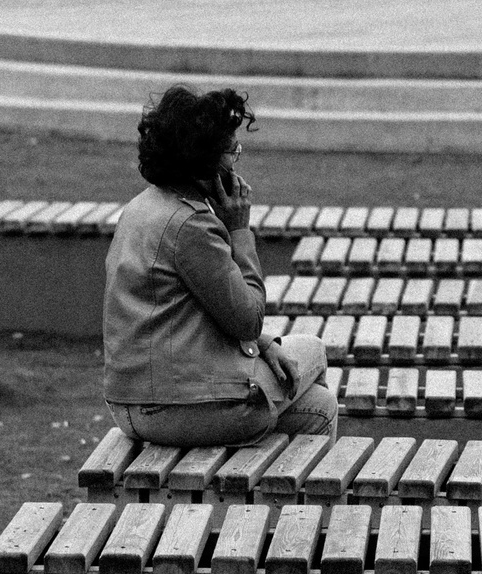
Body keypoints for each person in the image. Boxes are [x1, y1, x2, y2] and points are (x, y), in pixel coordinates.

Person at [103, 85, 335, 446]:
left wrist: (263, 344)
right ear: (206, 163)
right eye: (233, 151)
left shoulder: (141, 208)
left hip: (130, 403)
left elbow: (194, 305)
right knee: (313, 349)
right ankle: (303, 501)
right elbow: (247, 319)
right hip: (180, 408)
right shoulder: (192, 225)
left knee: (319, 407)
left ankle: (271, 491)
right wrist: (239, 231)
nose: (237, 162)